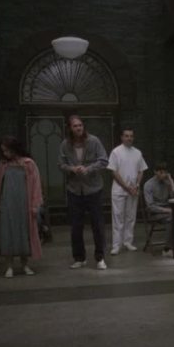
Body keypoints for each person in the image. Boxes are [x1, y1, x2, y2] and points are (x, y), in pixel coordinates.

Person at [58, 115, 109, 270]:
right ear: (70, 128)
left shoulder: (94, 141)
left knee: (97, 225)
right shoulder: (65, 144)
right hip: (74, 190)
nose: (78, 128)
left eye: (80, 125)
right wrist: (72, 169)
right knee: (76, 226)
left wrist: (89, 169)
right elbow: (61, 164)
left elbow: (104, 160)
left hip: (93, 189)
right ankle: (79, 258)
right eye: (75, 126)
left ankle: (100, 257)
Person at [0, 136, 43, 278]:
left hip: (24, 203)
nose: (5, 153)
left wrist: (35, 205)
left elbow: (36, 185)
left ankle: (24, 264)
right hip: (7, 202)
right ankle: (9, 265)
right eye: (3, 151)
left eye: (7, 150)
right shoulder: (3, 164)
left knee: (24, 232)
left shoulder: (28, 163)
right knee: (8, 232)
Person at [107, 128, 147, 255]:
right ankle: (116, 245)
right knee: (118, 217)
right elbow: (113, 172)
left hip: (133, 190)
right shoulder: (116, 152)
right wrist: (126, 187)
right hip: (119, 190)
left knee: (130, 217)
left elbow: (141, 171)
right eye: (126, 136)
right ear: (122, 137)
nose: (129, 138)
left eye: (131, 136)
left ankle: (128, 241)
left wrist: (136, 185)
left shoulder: (137, 153)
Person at [143, 162, 174, 257]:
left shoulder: (167, 182)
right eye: (160, 172)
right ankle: (168, 249)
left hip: (168, 209)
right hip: (156, 212)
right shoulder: (148, 185)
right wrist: (167, 210)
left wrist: (171, 182)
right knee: (173, 217)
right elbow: (150, 206)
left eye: (165, 172)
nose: (163, 174)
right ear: (155, 172)